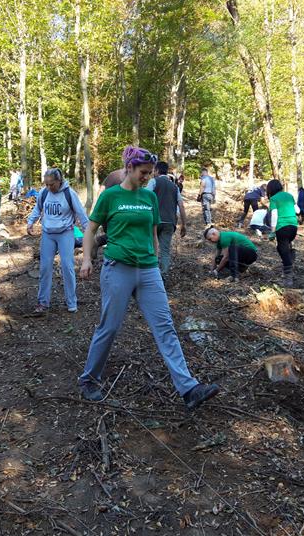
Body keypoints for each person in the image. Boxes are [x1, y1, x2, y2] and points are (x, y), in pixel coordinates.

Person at [78, 146, 219, 411]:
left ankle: (188, 388)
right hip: (118, 268)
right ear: (129, 168)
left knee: (165, 326)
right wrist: (87, 258)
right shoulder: (110, 196)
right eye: (143, 173)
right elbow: (91, 229)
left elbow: (153, 234)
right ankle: (88, 379)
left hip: (148, 270)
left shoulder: (149, 197)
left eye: (149, 173)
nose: (146, 178)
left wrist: (154, 260)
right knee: (109, 327)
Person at [27, 168, 89, 313]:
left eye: (52, 184)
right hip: (47, 234)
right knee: (45, 268)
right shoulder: (43, 193)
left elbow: (80, 212)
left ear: (59, 181)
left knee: (67, 267)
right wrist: (30, 222)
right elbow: (38, 209)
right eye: (46, 184)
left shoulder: (69, 194)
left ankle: (71, 302)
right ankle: (43, 302)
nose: (49, 187)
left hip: (65, 233)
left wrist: (88, 231)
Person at [146, 161, 187, 275]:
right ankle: (162, 276)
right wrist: (184, 224)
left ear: (157, 171)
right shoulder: (175, 187)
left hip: (153, 221)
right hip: (169, 222)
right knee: (165, 251)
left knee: (149, 248)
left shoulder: (153, 181)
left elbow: (145, 197)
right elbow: (181, 205)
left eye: (154, 170)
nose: (153, 173)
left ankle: (149, 274)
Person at [265, 179, 300, 287]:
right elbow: (297, 210)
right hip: (293, 227)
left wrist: (272, 231)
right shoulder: (289, 195)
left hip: (282, 227)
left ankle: (288, 276)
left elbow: (274, 215)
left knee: (282, 249)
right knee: (283, 246)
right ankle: (291, 255)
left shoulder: (274, 199)